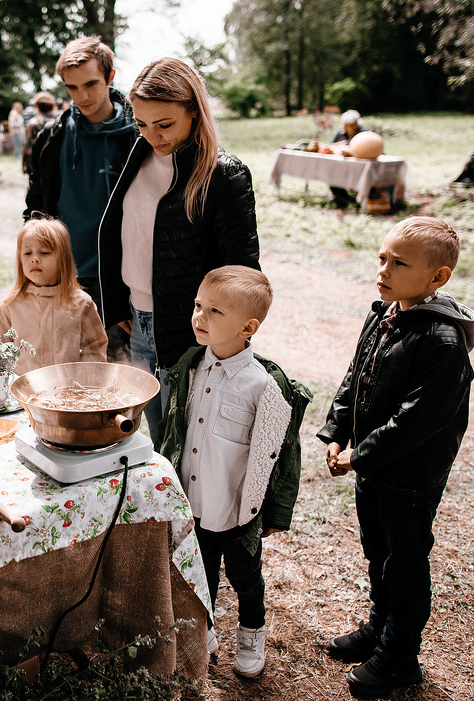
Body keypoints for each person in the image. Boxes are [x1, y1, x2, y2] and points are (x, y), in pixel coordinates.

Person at [318, 217, 474, 698]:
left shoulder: (442, 343)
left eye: (399, 263)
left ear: (438, 277)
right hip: (373, 468)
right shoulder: (382, 314)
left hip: (409, 476)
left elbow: (416, 420)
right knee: (377, 552)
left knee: (404, 565)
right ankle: (378, 627)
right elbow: (354, 376)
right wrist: (337, 431)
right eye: (382, 257)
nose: (383, 269)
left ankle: (400, 656)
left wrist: (359, 458)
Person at [97, 56, 260, 436]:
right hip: (138, 321)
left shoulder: (224, 173)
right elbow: (123, 233)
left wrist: (220, 334)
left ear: (195, 111)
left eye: (165, 124)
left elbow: (242, 271)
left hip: (192, 330)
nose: (153, 136)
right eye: (141, 124)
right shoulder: (138, 156)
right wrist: (122, 304)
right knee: (154, 434)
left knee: (185, 443)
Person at [155, 266, 304, 678]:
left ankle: (251, 633)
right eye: (198, 305)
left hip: (236, 510)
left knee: (245, 577)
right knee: (198, 573)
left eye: (215, 311)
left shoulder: (262, 386)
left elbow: (277, 454)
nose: (199, 317)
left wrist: (268, 512)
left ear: (248, 326)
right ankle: (205, 629)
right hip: (193, 502)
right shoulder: (191, 366)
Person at [24, 37, 139, 364]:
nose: (83, 96)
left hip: (120, 281)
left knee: (118, 383)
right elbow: (35, 210)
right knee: (64, 379)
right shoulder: (52, 139)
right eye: (72, 88)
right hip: (65, 279)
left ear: (110, 77)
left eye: (91, 84)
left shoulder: (137, 135)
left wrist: (132, 291)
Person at [0, 217, 107, 375]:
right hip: (23, 394)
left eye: (44, 252)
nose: (35, 258)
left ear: (63, 258)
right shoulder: (11, 305)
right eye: (27, 253)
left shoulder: (81, 303)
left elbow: (95, 349)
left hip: (68, 392)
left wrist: (86, 382)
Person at [328, 109, 367, 207]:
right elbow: (329, 146)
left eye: (355, 124)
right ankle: (343, 197)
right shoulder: (340, 132)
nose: (354, 127)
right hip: (341, 164)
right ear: (344, 125)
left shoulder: (365, 133)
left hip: (360, 165)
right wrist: (340, 144)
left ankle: (360, 198)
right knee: (330, 172)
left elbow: (368, 148)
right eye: (350, 125)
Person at [21, 91, 58, 175]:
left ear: (37, 106)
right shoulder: (58, 123)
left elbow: (26, 144)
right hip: (54, 161)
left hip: (35, 161)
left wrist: (24, 162)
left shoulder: (33, 123)